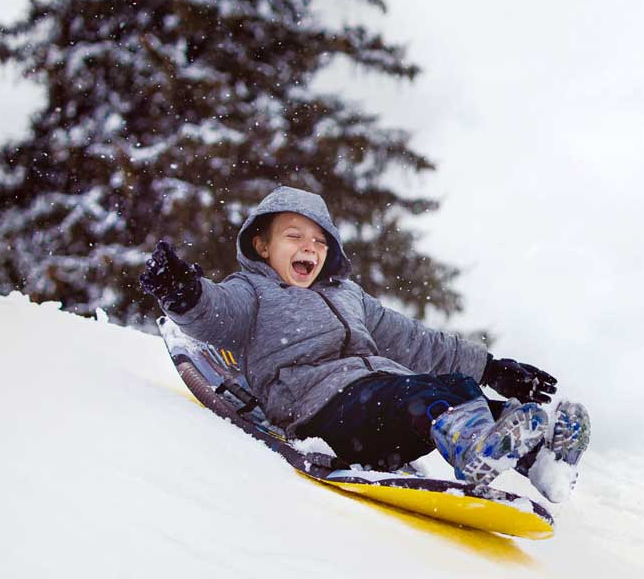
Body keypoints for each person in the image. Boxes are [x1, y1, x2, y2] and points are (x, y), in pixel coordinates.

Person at [139, 186, 589, 501]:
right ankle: (475, 449)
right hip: (320, 411)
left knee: (455, 389)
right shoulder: (251, 291)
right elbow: (214, 316)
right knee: (421, 396)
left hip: (379, 406)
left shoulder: (348, 296)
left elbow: (415, 340)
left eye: (319, 241)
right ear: (261, 246)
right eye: (293, 236)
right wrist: (184, 294)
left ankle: (542, 459)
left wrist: (490, 368)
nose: (309, 248)